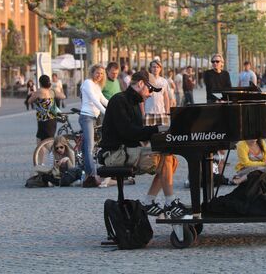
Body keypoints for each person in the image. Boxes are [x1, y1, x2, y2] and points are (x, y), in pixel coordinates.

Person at [100, 70, 190, 217]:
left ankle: (150, 201)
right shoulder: (119, 100)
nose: (151, 94)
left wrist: (161, 135)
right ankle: (170, 203)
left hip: (127, 150)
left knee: (172, 161)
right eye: (151, 89)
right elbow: (129, 132)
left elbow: (137, 133)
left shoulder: (134, 103)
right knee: (166, 157)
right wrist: (158, 129)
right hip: (115, 154)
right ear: (141, 84)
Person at [79, 64, 108, 188]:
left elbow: (103, 100)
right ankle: (93, 174)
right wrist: (106, 112)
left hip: (93, 117)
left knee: (86, 147)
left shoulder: (97, 86)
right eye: (97, 73)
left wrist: (116, 106)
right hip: (86, 117)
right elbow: (94, 100)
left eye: (102, 74)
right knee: (90, 147)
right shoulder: (87, 83)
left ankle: (87, 175)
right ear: (92, 72)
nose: (99, 76)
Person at [203, 54, 232, 175]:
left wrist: (225, 98)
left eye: (217, 61)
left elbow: (228, 87)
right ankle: (214, 157)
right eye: (213, 61)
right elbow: (210, 88)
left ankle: (221, 159)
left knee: (224, 130)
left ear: (222, 63)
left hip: (223, 102)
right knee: (213, 128)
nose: (215, 63)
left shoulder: (226, 74)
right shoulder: (207, 73)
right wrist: (218, 99)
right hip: (212, 102)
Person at [28, 75, 65, 143]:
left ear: (40, 83)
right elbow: (63, 96)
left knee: (43, 140)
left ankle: (55, 152)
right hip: (52, 119)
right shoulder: (52, 91)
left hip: (43, 119)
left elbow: (29, 101)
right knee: (43, 139)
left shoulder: (39, 92)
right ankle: (40, 153)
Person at [144, 60, 171, 128]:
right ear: (150, 68)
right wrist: (142, 112)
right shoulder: (146, 81)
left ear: (160, 69)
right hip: (148, 111)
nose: (155, 69)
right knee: (148, 134)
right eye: (153, 67)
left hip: (161, 111)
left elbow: (166, 97)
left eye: (157, 67)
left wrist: (167, 111)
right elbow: (142, 97)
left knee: (162, 133)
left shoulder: (164, 81)